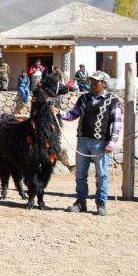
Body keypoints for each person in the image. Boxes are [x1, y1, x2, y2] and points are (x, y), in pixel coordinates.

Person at [57, 71, 122, 216]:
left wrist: (111, 143)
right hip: (82, 141)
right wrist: (59, 112)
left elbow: (117, 125)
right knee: (80, 174)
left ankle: (101, 203)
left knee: (101, 175)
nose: (92, 83)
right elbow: (73, 114)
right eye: (92, 81)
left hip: (100, 142)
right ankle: (81, 202)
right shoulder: (83, 98)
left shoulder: (112, 101)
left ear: (104, 84)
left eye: (96, 81)